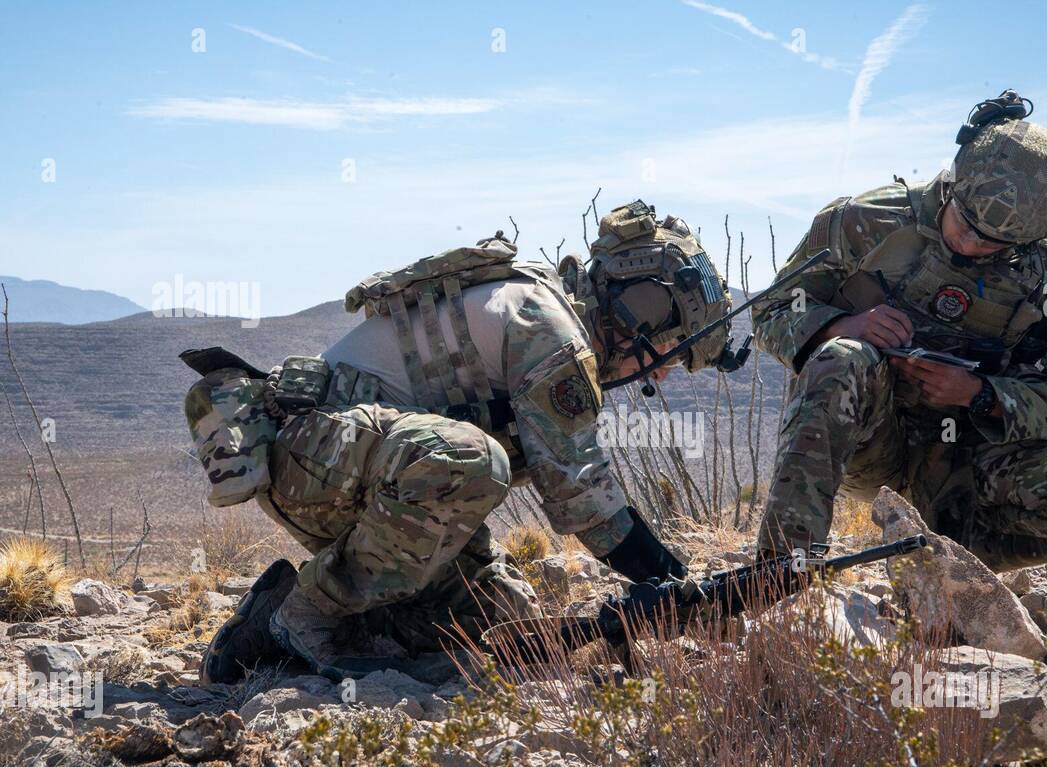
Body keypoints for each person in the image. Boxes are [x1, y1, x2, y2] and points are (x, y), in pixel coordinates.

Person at [188, 200, 733, 682]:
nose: (659, 372)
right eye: (669, 346)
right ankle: (310, 615)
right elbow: (580, 493)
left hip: (339, 472)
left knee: (499, 620)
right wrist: (671, 581)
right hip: (310, 456)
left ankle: (268, 630)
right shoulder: (547, 326)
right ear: (640, 306)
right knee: (474, 461)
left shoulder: (542, 305)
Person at [753, 91, 1047, 572]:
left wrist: (983, 395)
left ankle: (947, 562)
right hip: (874, 443)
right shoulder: (867, 222)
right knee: (842, 356)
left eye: (994, 242)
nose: (970, 242)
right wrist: (845, 324)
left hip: (975, 460)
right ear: (954, 183)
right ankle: (782, 567)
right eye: (964, 221)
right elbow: (771, 309)